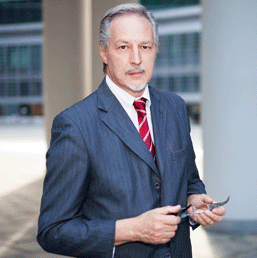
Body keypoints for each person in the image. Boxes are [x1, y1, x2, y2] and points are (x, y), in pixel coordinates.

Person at [37, 4, 226, 258]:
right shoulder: (75, 125)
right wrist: (133, 230)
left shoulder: (175, 107)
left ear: (155, 50)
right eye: (123, 47)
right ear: (104, 52)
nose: (136, 59)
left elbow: (189, 178)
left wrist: (195, 199)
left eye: (145, 47)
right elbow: (53, 231)